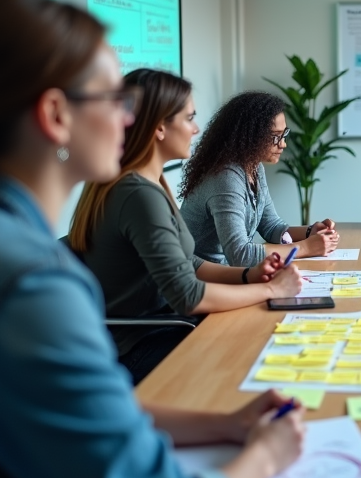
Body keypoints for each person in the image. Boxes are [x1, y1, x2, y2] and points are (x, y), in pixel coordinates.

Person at [0, 0, 306, 478]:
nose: (131, 117)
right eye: (117, 98)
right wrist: (264, 458)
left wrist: (225, 425)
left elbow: (88, 406)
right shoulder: (30, 288)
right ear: (54, 116)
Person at [68, 69, 303, 382]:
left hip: (156, 327)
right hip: (138, 345)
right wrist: (271, 289)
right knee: (254, 353)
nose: (195, 129)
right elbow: (189, 297)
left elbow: (187, 262)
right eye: (189, 118)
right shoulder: (139, 196)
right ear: (159, 128)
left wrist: (248, 275)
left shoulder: (146, 184)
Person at [180, 91, 339, 267]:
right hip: (202, 280)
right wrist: (305, 248)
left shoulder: (254, 167)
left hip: (227, 273)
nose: (283, 144)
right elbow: (240, 255)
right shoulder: (225, 178)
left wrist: (310, 232)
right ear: (249, 135)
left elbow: (271, 226)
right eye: (275, 136)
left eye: (284, 134)